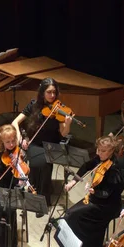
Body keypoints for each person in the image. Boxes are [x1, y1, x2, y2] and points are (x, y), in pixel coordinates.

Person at [55, 136, 123, 247]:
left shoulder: (114, 169)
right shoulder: (101, 159)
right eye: (98, 149)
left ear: (111, 151)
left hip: (106, 206)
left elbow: (109, 192)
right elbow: (86, 166)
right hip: (95, 200)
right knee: (69, 213)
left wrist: (94, 191)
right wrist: (73, 181)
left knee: (72, 216)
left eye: (103, 151)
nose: (98, 153)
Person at [12, 77, 73, 207]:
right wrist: (20, 138)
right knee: (37, 163)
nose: (52, 95)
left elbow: (63, 133)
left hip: (52, 144)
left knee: (45, 163)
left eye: (54, 92)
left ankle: (43, 199)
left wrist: (67, 124)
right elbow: (15, 122)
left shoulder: (59, 109)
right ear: (42, 92)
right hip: (35, 143)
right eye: (49, 92)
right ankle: (34, 195)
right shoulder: (33, 105)